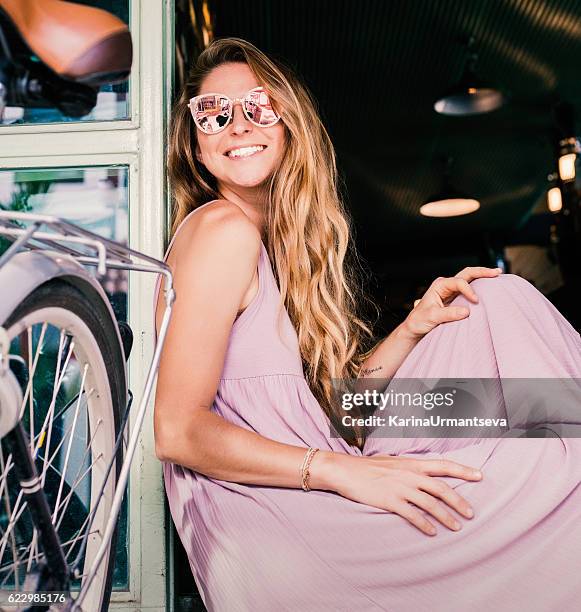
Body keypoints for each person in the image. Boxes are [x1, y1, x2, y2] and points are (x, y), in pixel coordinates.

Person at [153, 37, 581, 611]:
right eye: (214, 114)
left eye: (258, 107)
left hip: (314, 483)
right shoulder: (220, 230)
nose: (237, 126)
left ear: (289, 123)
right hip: (287, 517)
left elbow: (340, 406)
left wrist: (414, 328)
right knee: (556, 468)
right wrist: (341, 473)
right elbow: (177, 431)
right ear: (195, 145)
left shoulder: (270, 245)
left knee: (493, 302)